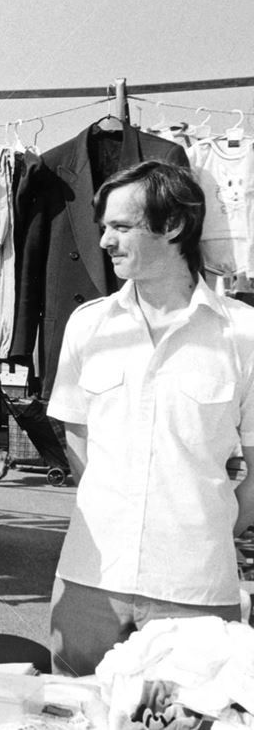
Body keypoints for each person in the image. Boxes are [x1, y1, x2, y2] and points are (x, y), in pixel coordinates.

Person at [47, 160, 254, 677]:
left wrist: (206, 523)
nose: (106, 242)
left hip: (195, 590)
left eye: (121, 227)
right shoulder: (88, 326)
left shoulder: (243, 334)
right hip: (89, 582)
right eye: (104, 229)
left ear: (174, 225)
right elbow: (78, 441)